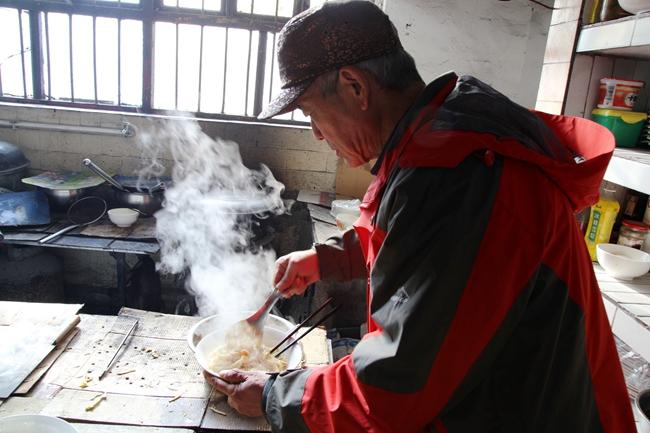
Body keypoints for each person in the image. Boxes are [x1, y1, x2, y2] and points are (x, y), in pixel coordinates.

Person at [205, 1, 637, 432]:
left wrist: (275, 395)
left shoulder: (460, 176)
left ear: (355, 86)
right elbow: (416, 243)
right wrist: (327, 259)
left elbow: (396, 384)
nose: (316, 134)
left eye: (312, 113)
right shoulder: (433, 137)